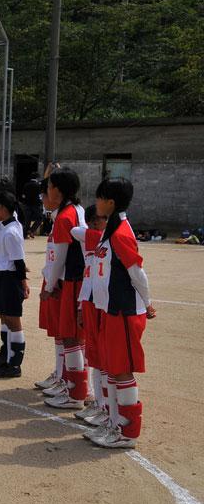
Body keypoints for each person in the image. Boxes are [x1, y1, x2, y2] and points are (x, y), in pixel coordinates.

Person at [85, 177, 155, 449]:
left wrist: (147, 302)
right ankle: (114, 422)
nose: (96, 202)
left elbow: (137, 272)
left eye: (99, 197)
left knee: (122, 370)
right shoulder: (110, 230)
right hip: (110, 309)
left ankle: (127, 432)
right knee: (112, 369)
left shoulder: (120, 233)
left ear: (110, 202)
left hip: (124, 310)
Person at [39, 167, 89, 410]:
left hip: (70, 281)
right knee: (74, 337)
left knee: (70, 337)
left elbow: (59, 258)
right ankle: (73, 386)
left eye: (49, 187)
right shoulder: (76, 210)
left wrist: (49, 285)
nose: (46, 192)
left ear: (58, 191)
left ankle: (75, 393)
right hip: (78, 279)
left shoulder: (64, 217)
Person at [0, 191, 29, 378]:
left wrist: (23, 284)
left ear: (2, 208)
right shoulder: (4, 226)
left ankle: (14, 364)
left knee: (13, 320)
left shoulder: (11, 231)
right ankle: (8, 356)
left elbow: (18, 262)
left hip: (9, 279)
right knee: (5, 317)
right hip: (1, 276)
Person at [70, 205, 108, 424]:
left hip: (102, 300)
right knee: (93, 355)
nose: (97, 224)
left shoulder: (108, 239)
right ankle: (96, 400)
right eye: (93, 220)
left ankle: (104, 406)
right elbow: (76, 230)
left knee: (102, 356)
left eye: (101, 219)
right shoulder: (94, 237)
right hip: (89, 296)